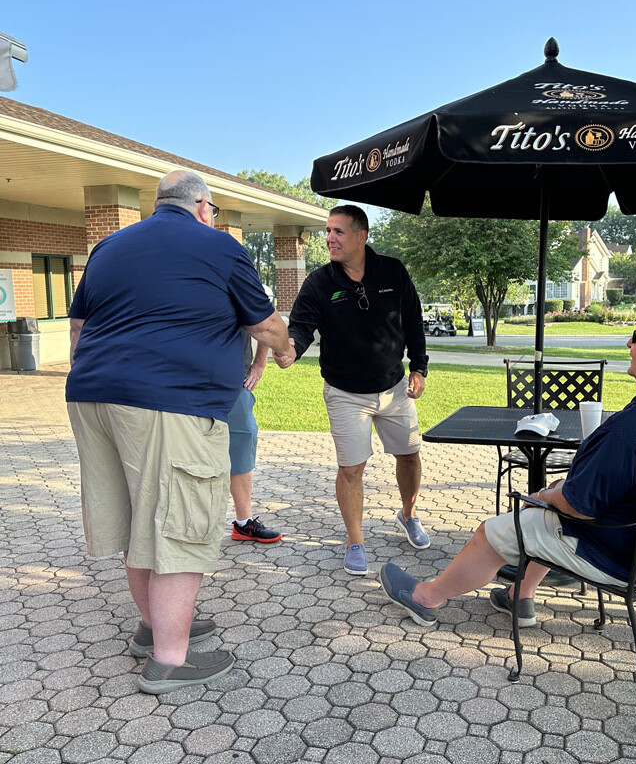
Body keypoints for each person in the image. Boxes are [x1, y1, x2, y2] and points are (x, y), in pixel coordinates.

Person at [66, 170, 295, 693]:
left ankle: (154, 628)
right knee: (178, 523)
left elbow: (79, 329)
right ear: (201, 205)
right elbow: (264, 323)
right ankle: (170, 659)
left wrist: (102, 376)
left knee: (134, 516)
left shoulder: (108, 246)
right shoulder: (217, 246)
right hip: (170, 404)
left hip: (92, 397)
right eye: (213, 210)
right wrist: (282, 350)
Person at [380, 305, 636, 628]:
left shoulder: (633, 428)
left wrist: (548, 496)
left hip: (619, 555)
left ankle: (425, 598)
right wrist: (558, 494)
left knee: (497, 530)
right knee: (548, 508)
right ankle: (520, 596)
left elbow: (578, 507)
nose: (629, 343)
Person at [288, 205, 429, 576]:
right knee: (351, 468)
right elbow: (302, 325)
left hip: (394, 386)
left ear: (361, 236)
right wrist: (290, 349)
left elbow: (413, 320)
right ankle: (355, 540)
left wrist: (419, 367)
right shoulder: (320, 282)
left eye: (338, 232)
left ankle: (408, 515)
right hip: (345, 392)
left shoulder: (393, 271)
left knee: (410, 454)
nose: (330, 238)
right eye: (327, 231)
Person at [228, 330, 282, 543]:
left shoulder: (242, 293)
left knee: (242, 447)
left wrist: (260, 364)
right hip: (186, 384)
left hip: (235, 382)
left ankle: (243, 523)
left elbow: (266, 322)